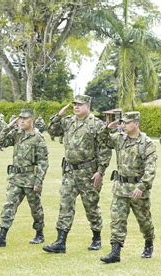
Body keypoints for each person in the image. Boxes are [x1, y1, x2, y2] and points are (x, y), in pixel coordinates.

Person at [43, 95, 111, 254]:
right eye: (75, 104)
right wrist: (58, 116)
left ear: (88, 105)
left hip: (88, 172)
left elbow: (105, 150)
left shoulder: (97, 125)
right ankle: (61, 241)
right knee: (65, 204)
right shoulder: (68, 121)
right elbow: (52, 130)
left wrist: (100, 172)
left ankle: (96, 237)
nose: (76, 107)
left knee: (91, 206)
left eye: (80, 104)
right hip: (69, 171)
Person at [0, 109, 49, 247]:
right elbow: (0, 141)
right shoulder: (17, 134)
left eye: (24, 119)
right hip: (16, 178)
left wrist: (39, 182)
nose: (21, 121)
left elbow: (43, 162)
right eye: (20, 118)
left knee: (35, 208)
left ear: (31, 120)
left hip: (30, 180)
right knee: (9, 205)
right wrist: (9, 126)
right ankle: (2, 236)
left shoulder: (38, 137)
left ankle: (39, 234)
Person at [100, 112, 157, 263]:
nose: (123, 125)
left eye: (126, 123)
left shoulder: (147, 143)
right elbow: (102, 141)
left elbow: (150, 169)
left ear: (136, 124)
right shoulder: (119, 138)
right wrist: (107, 129)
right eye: (122, 122)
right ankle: (115, 252)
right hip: (120, 188)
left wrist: (142, 186)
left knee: (144, 221)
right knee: (117, 220)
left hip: (138, 189)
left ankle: (149, 243)